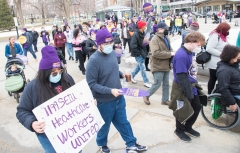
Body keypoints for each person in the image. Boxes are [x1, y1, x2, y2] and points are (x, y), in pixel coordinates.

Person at [86, 28, 147, 153]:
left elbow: (113, 70)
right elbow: (92, 84)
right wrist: (110, 91)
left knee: (123, 122)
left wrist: (121, 74)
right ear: (99, 44)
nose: (109, 45)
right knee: (104, 126)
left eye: (110, 42)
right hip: (104, 101)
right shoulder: (93, 61)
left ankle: (131, 143)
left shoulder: (112, 53)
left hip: (119, 96)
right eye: (106, 43)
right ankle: (102, 144)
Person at [16, 46, 81, 153]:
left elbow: (78, 96)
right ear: (44, 72)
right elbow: (22, 111)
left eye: (59, 71)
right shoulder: (32, 87)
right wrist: (32, 123)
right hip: (49, 137)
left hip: (72, 131)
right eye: (54, 72)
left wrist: (87, 103)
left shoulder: (67, 78)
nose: (58, 74)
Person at [170, 32, 206, 142]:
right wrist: (188, 92)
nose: (199, 48)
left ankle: (188, 127)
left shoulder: (189, 52)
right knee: (182, 109)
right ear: (192, 42)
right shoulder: (182, 55)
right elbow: (181, 76)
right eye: (198, 45)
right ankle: (179, 130)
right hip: (182, 86)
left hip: (190, 84)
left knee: (197, 106)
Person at [143, 22, 174, 105]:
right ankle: (146, 95)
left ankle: (165, 100)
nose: (167, 30)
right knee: (157, 83)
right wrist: (169, 54)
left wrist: (172, 52)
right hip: (157, 65)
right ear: (159, 30)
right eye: (165, 29)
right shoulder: (154, 39)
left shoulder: (166, 38)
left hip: (166, 64)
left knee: (166, 84)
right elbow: (156, 53)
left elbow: (169, 49)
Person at [206, 22, 230, 94]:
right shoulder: (215, 36)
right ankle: (212, 94)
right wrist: (222, 54)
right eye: (227, 30)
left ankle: (212, 94)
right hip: (215, 63)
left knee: (214, 79)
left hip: (220, 62)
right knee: (215, 79)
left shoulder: (223, 36)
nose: (228, 32)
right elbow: (209, 48)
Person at [216, 45, 240, 112]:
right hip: (234, 93)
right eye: (237, 57)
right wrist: (232, 103)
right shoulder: (224, 71)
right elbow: (223, 88)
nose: (237, 59)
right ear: (230, 57)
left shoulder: (233, 66)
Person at [130, 20, 152, 88]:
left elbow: (143, 43)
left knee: (139, 67)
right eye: (144, 25)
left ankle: (131, 76)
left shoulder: (144, 33)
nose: (145, 26)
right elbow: (133, 45)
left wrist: (147, 42)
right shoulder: (136, 34)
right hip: (138, 54)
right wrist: (138, 53)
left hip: (143, 53)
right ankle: (146, 82)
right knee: (142, 68)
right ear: (142, 27)